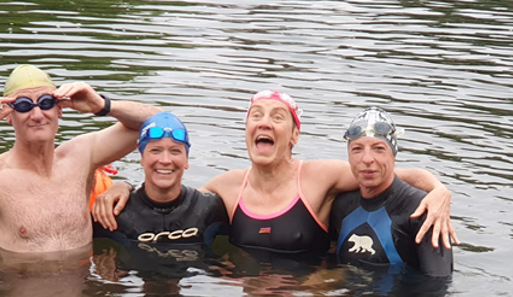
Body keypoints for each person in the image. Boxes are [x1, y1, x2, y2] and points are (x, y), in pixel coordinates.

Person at [96, 90, 457, 263]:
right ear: (247, 130)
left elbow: (391, 174)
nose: (264, 122)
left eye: (277, 117)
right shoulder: (227, 186)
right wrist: (124, 187)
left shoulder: (319, 176)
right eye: (256, 116)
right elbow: (171, 197)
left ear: (294, 135)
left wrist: (440, 190)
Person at [0, 64, 161, 253]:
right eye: (24, 106)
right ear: (9, 115)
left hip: (78, 294)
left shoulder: (82, 155)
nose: (37, 115)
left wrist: (102, 106)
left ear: (60, 110)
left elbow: (160, 123)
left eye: (46, 103)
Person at [329, 107, 455, 276]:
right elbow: (328, 262)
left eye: (379, 149)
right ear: (349, 157)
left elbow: (438, 285)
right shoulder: (341, 205)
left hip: (400, 292)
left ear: (394, 156)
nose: (367, 159)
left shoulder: (424, 210)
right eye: (357, 149)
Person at [91, 111, 228, 256]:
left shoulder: (210, 209)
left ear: (186, 160)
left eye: (175, 151)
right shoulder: (114, 213)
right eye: (155, 151)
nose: (165, 160)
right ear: (142, 158)